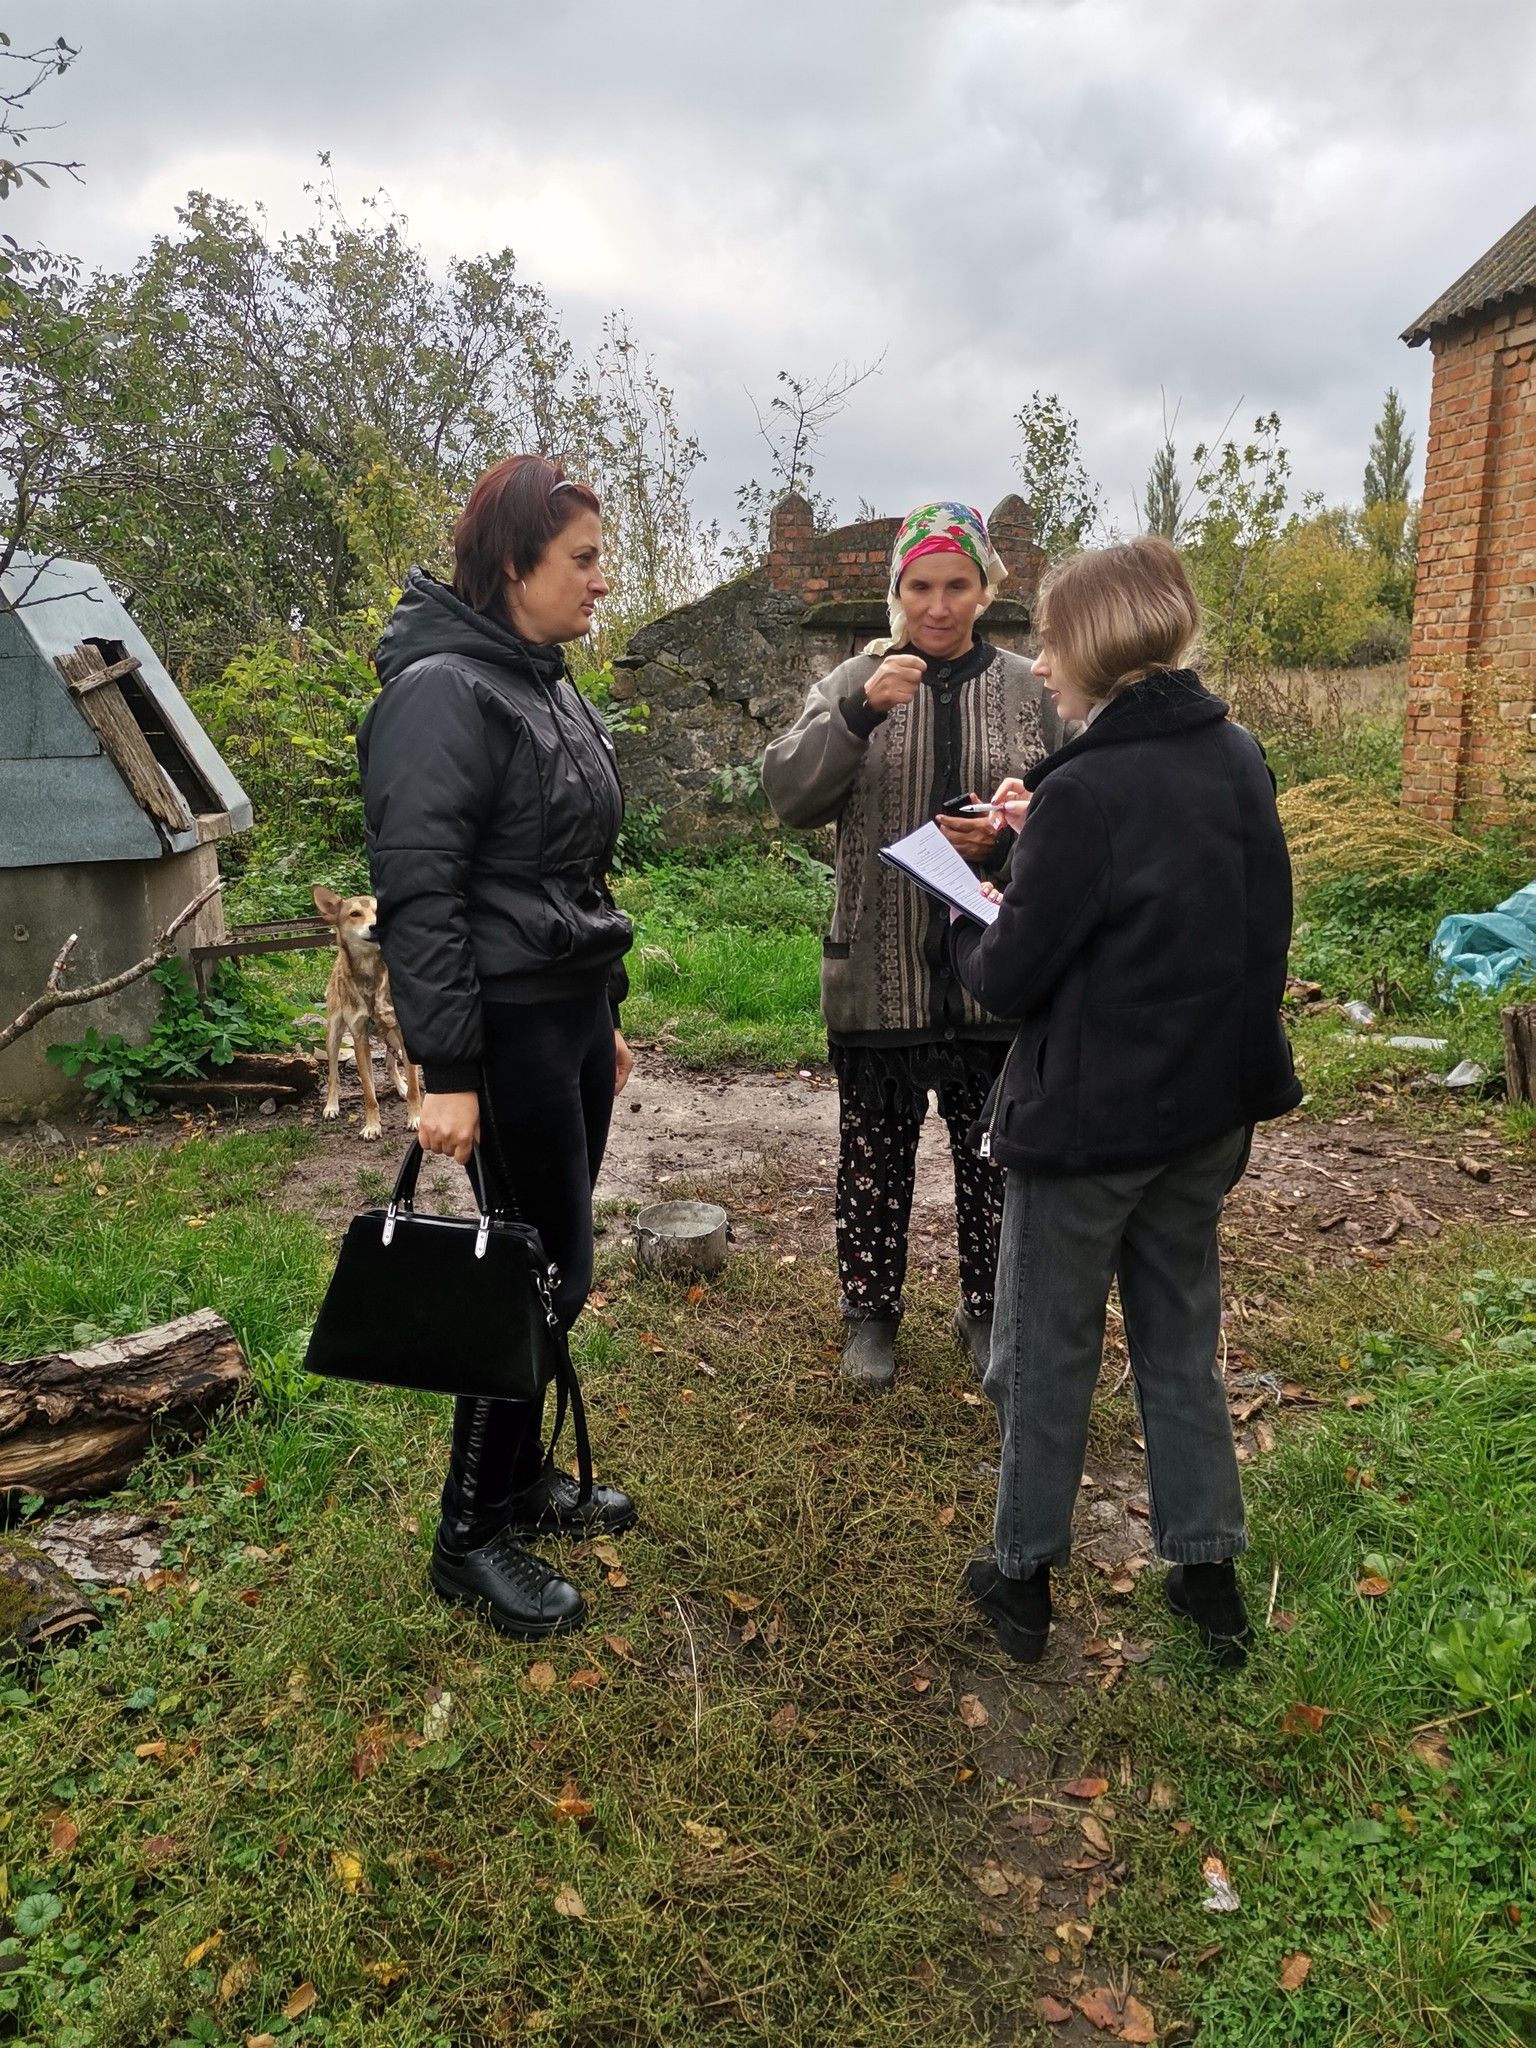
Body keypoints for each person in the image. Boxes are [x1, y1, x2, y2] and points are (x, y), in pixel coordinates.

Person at [949, 537, 1301, 1669]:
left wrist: (969, 904)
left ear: (1095, 643)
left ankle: (1020, 1579)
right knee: (1179, 1341)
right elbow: (1230, 915)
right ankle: (1210, 1582)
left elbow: (1010, 977)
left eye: (1050, 641)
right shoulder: (1237, 754)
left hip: (1092, 1130)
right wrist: (1030, 835)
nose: (1041, 664)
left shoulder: (1089, 788)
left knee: (1043, 1353)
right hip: (1207, 1118)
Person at [357, 454, 637, 1640]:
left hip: (567, 1014)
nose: (600, 581)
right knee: (533, 1269)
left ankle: (520, 1483)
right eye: (581, 560)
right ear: (515, 562)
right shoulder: (440, 692)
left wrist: (608, 1011)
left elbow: (572, 871)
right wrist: (451, 1069)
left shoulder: (545, 682)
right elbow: (419, 894)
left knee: (550, 1260)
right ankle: (470, 1532)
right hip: (507, 1026)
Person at [762, 502, 1062, 1389]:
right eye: (921, 586)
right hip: (878, 968)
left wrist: (1009, 844)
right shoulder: (854, 679)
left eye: (957, 585)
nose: (939, 605)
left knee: (991, 1163)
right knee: (873, 1156)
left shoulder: (1027, 686)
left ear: (986, 589)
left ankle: (988, 1311)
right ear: (897, 591)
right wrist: (856, 713)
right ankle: (869, 1315)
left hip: (993, 978)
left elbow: (1077, 811)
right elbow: (788, 794)